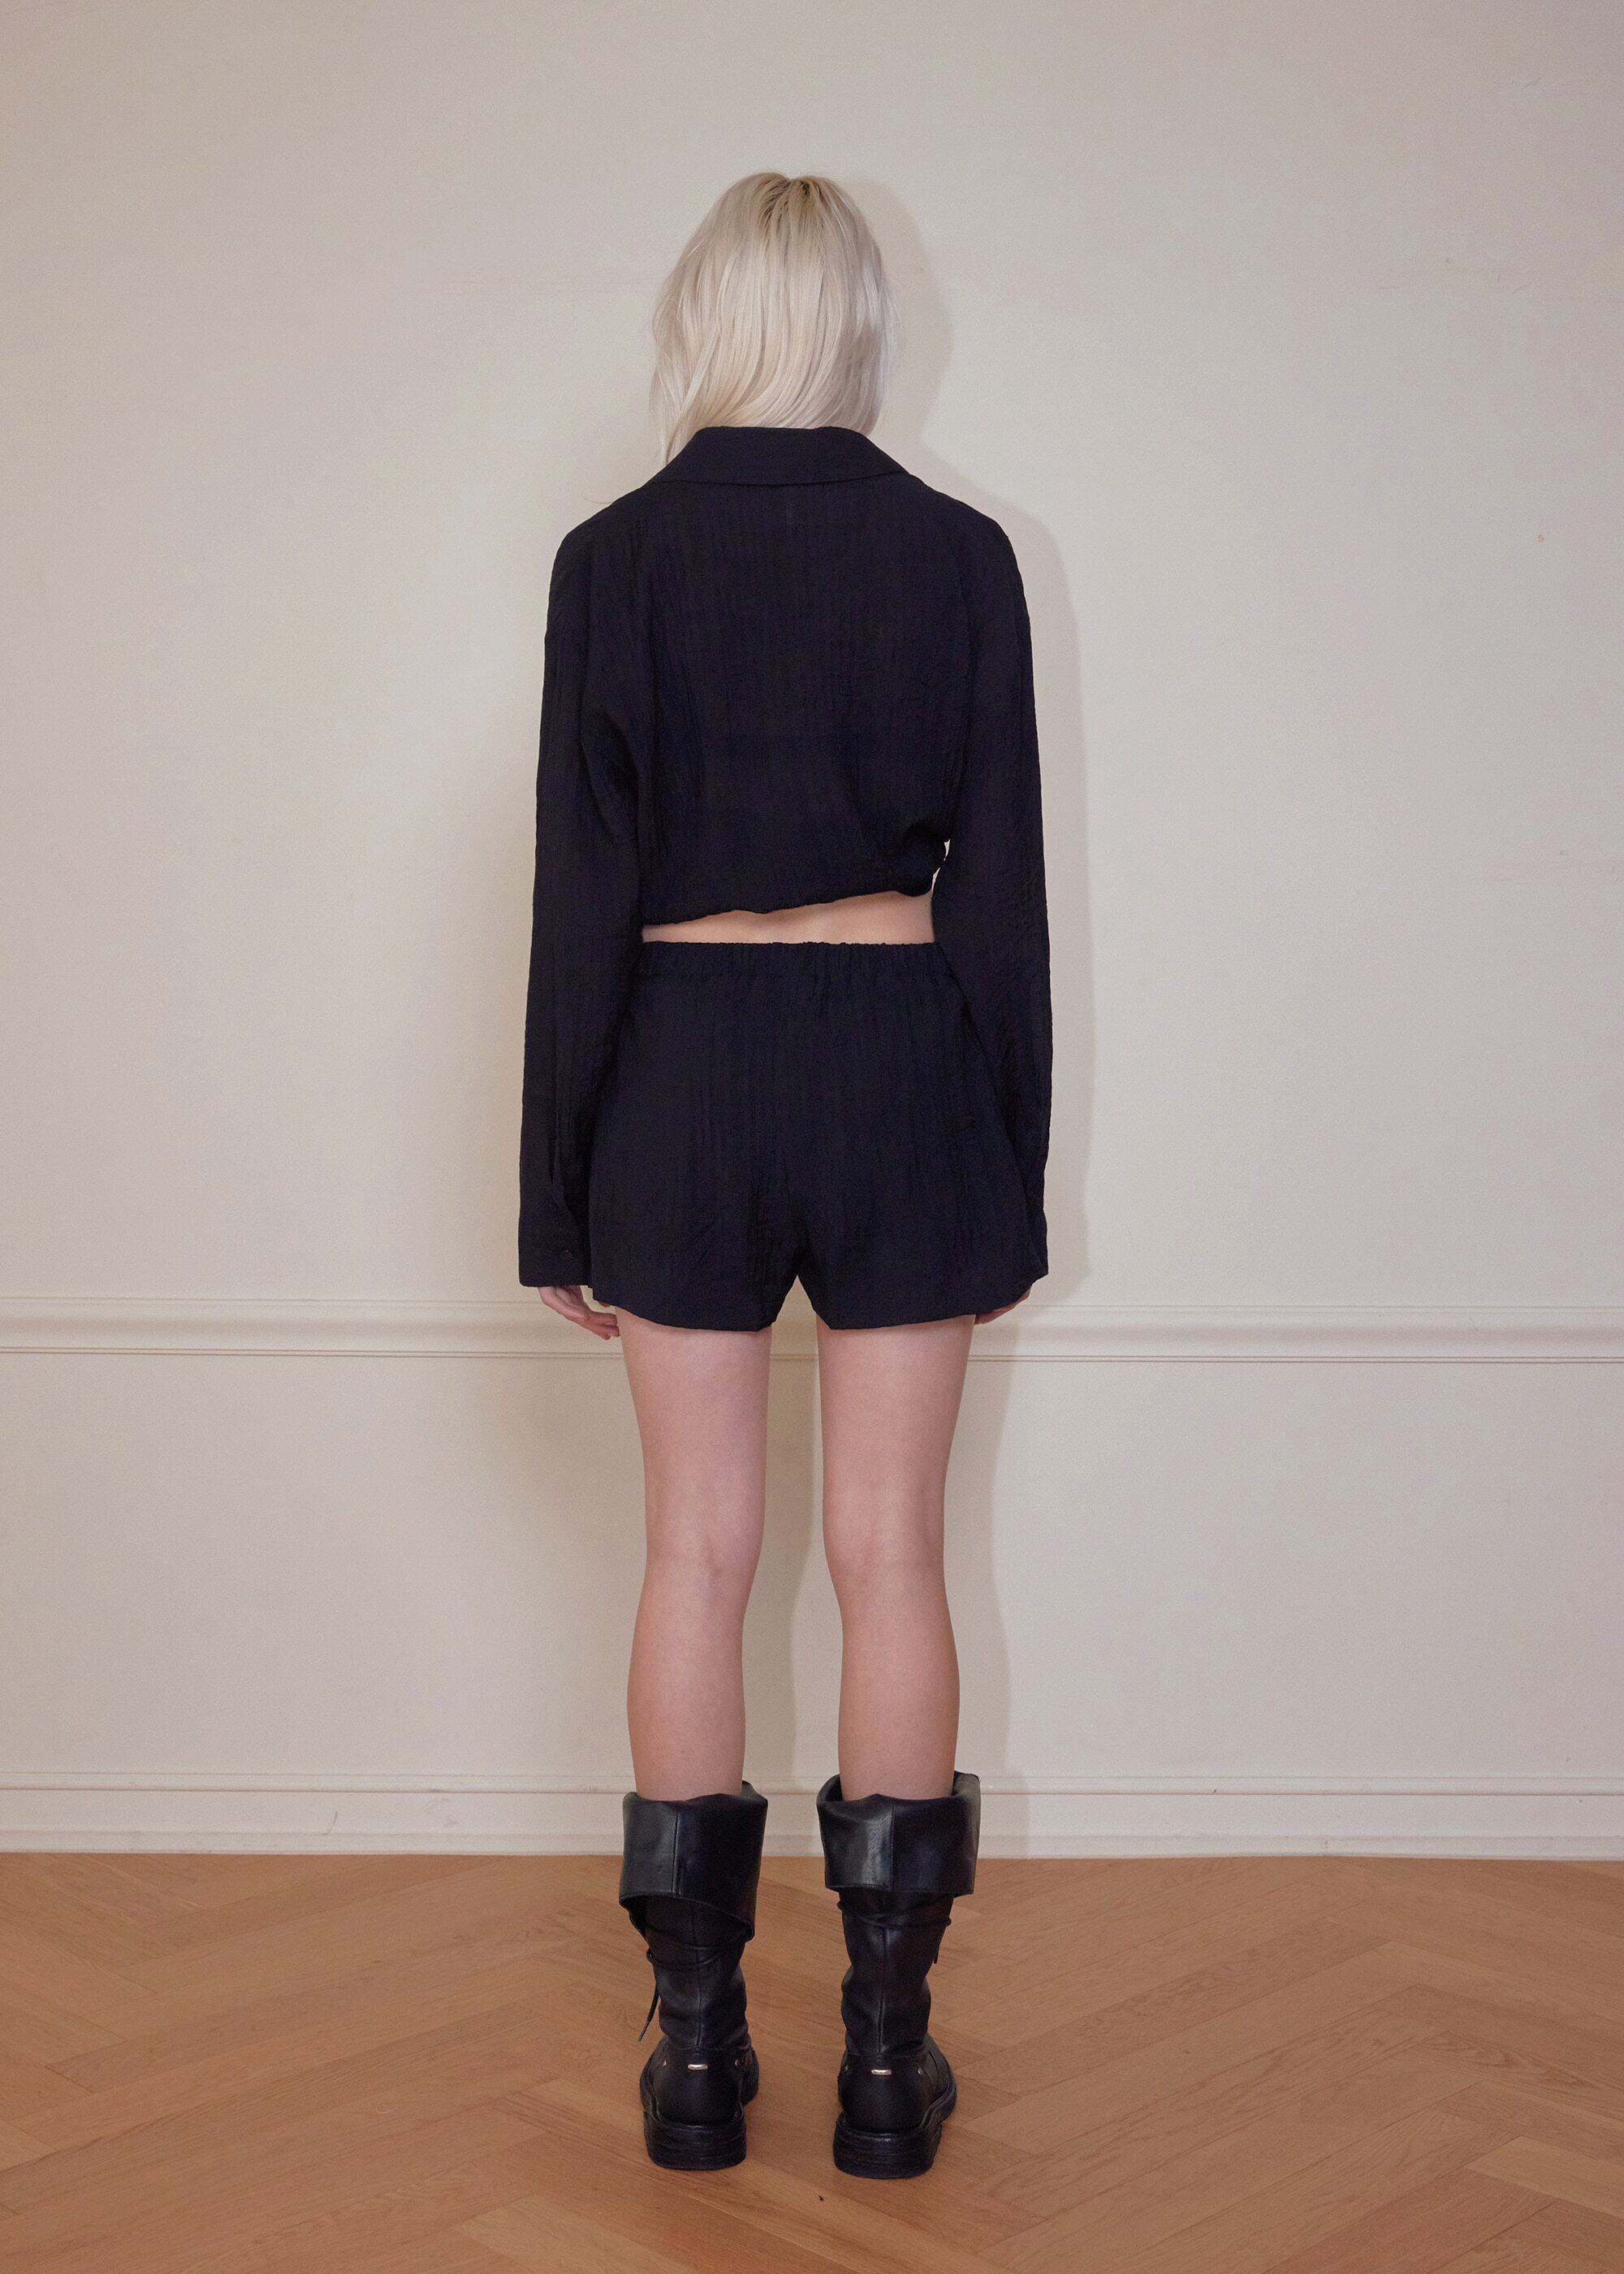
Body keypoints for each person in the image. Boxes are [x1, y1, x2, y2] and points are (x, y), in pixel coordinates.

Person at [517, 171, 1051, 2178]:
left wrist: (554, 1187)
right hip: (903, 1054)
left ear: (705, 316)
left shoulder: (611, 558)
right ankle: (887, 2069)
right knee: (892, 1549)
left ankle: (694, 2057)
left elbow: (579, 887)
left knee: (694, 1550)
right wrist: (1006, 1160)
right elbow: (1003, 886)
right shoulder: (960, 555)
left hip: (681, 1061)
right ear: (857, 326)